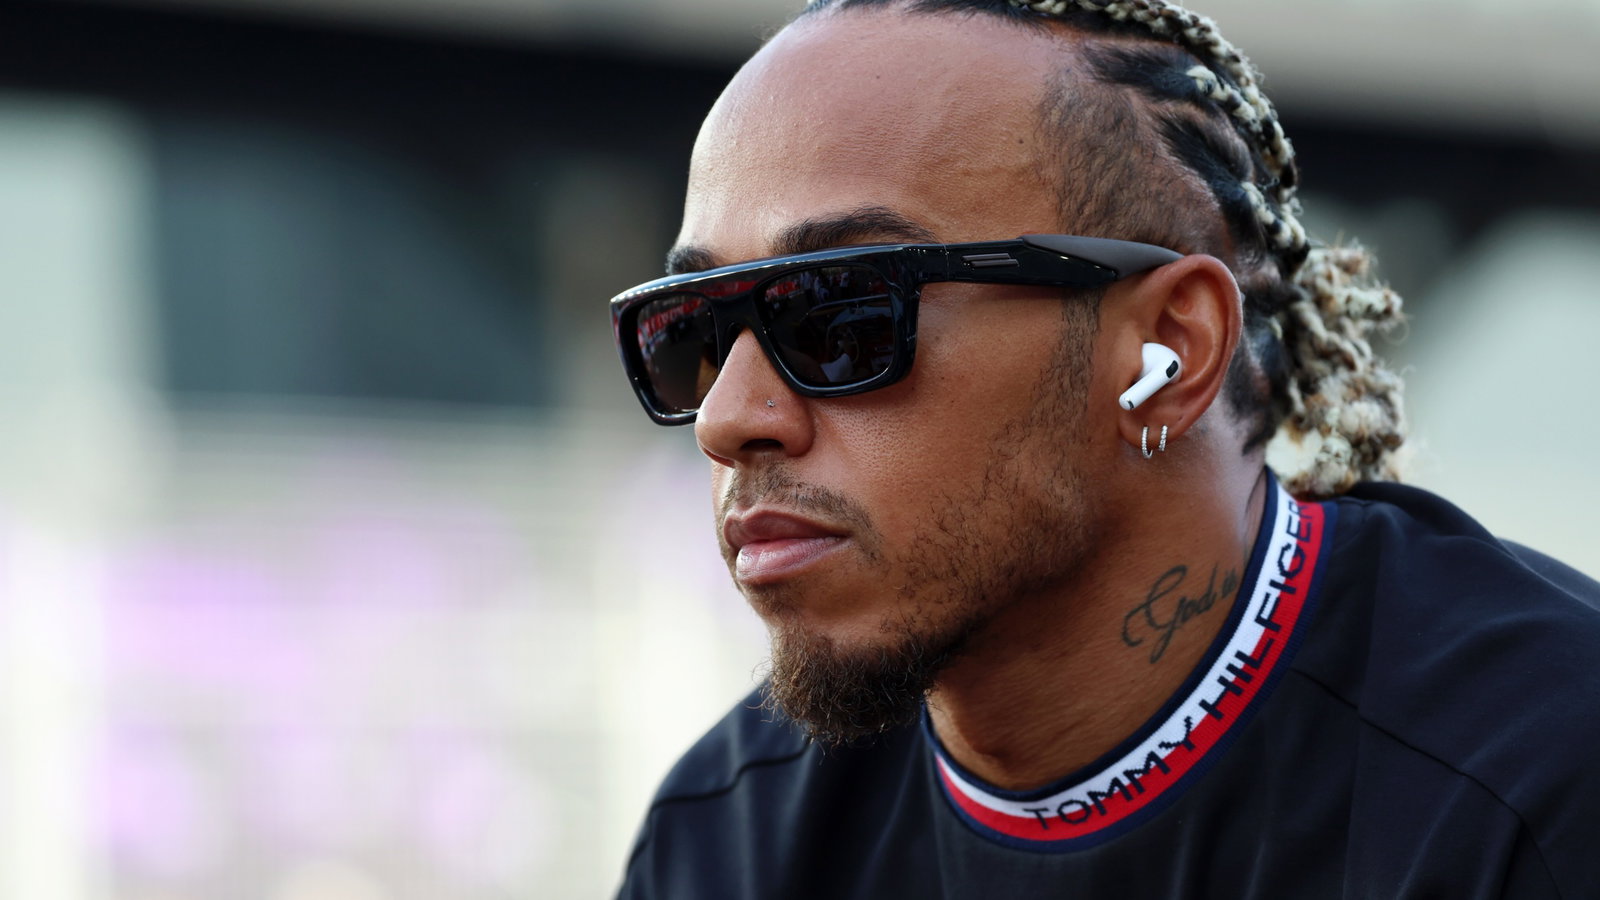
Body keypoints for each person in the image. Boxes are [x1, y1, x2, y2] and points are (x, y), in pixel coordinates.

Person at [606, 1, 1600, 896]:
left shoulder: (1542, 785)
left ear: (1168, 352)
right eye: (690, 330)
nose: (727, 415)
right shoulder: (727, 841)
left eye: (840, 314)